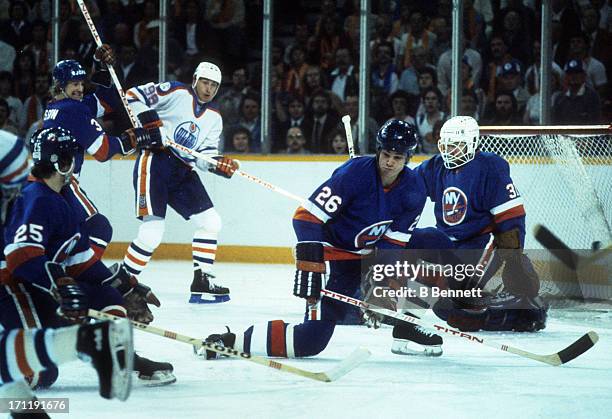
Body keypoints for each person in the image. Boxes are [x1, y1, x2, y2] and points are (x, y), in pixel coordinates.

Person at [200, 120, 441, 359]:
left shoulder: (414, 189)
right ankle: (230, 341)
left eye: (397, 158)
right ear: (378, 150)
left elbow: (393, 243)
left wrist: (382, 286)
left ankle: (405, 323)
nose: (389, 162)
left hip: (367, 255)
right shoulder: (354, 174)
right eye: (386, 154)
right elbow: (305, 218)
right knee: (310, 341)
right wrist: (311, 267)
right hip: (334, 258)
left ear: (408, 158)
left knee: (435, 242)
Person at [1, 127, 175, 391]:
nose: (77, 161)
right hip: (12, 290)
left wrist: (125, 285)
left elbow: (81, 261)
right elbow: (21, 257)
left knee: (107, 298)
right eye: (72, 156)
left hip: (38, 290)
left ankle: (120, 360)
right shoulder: (34, 198)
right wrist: (60, 284)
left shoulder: (62, 197)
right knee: (36, 375)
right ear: (59, 161)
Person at [414, 116, 547, 333]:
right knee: (437, 296)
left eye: (456, 146)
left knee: (457, 308)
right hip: (448, 242)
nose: (449, 151)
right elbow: (407, 188)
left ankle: (525, 312)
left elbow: (511, 217)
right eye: (445, 145)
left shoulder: (490, 167)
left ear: (473, 144)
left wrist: (512, 256)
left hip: (480, 241)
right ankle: (405, 316)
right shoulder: (436, 166)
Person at [120, 62, 239, 304]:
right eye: (205, 82)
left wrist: (218, 164)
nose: (209, 89)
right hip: (156, 162)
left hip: (183, 171)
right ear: (195, 79)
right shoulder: (175, 91)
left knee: (211, 222)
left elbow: (204, 156)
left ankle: (202, 281)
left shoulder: (215, 117)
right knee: (152, 232)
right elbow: (132, 96)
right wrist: (150, 121)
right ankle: (123, 284)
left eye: (214, 85)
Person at [42, 46, 158, 259]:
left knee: (69, 236)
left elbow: (107, 100)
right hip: (63, 184)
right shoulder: (73, 109)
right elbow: (103, 151)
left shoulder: (56, 107)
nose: (80, 89)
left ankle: (62, 274)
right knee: (99, 228)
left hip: (47, 185)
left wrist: (103, 65)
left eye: (81, 84)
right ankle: (82, 275)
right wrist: (131, 138)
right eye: (74, 84)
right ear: (60, 86)